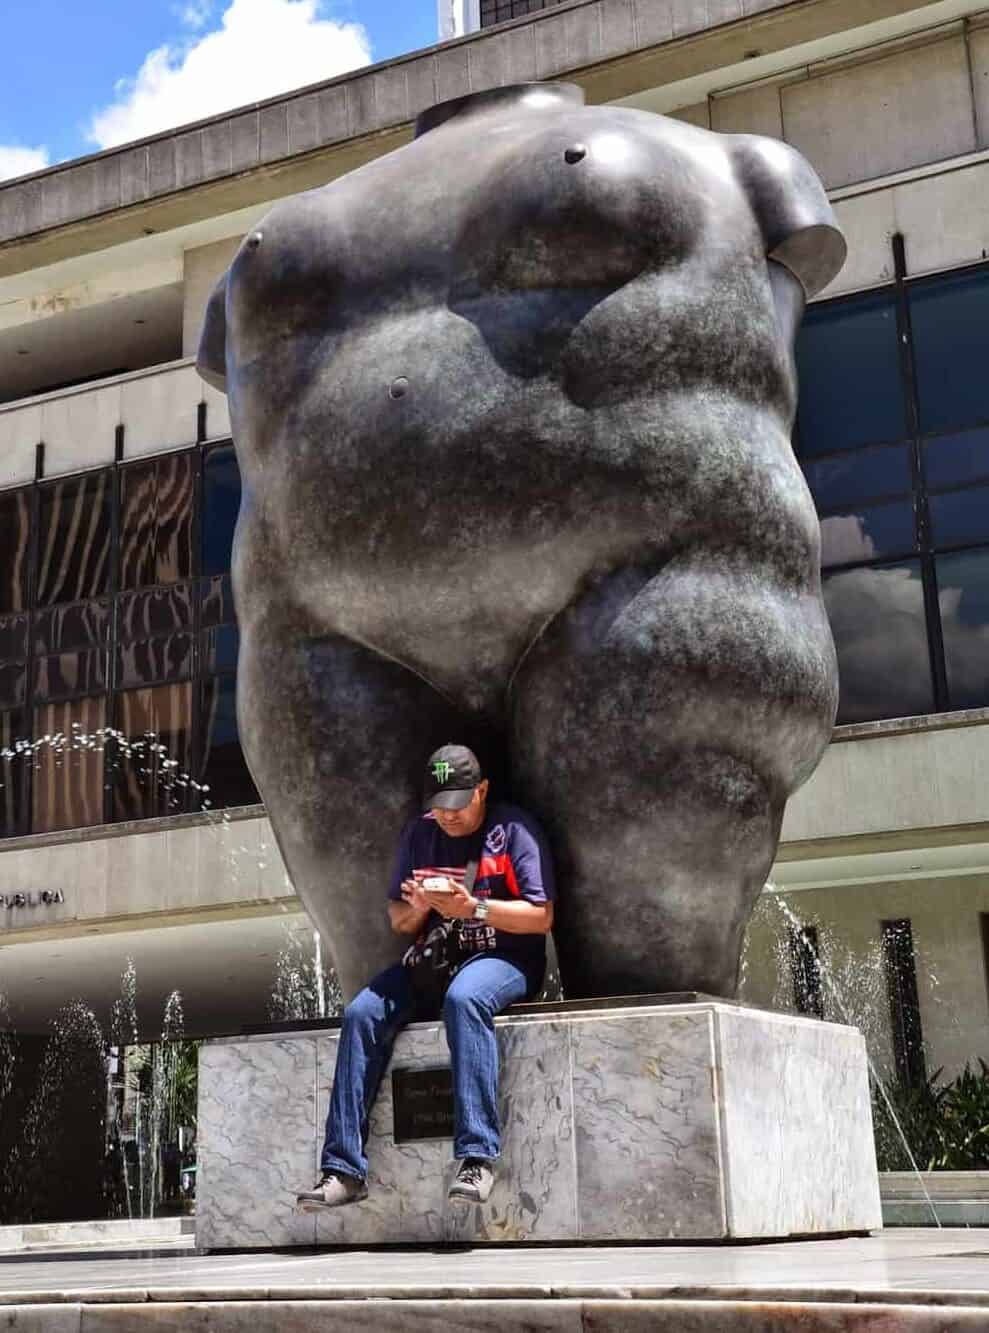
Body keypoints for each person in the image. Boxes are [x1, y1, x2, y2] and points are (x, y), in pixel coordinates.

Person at [296, 743, 555, 1210]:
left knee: (465, 1001)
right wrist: (417, 907)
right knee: (361, 1013)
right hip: (436, 961)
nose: (448, 817)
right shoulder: (419, 834)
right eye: (438, 807)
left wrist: (472, 907)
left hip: (506, 957)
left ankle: (478, 1157)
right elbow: (399, 919)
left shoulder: (513, 831)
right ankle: (343, 1169)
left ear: (482, 791)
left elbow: (540, 917)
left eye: (457, 806)